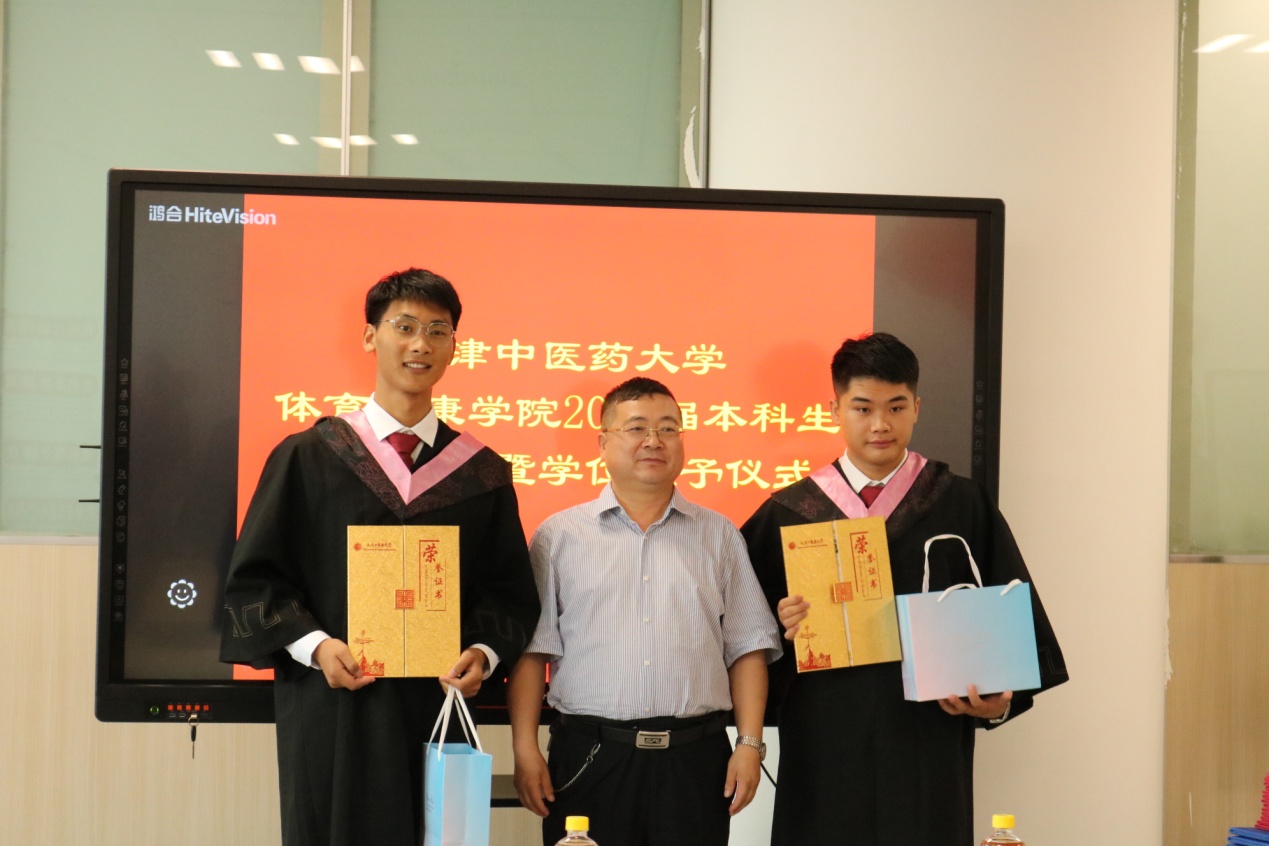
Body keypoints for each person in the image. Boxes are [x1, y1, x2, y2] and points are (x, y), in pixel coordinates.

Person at [219, 268, 541, 846]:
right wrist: (317, 647)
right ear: (371, 337)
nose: (421, 344)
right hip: (334, 709)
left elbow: (509, 592)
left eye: (437, 331)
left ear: (453, 347)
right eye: (405, 327)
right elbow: (255, 583)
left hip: (437, 709)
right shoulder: (309, 457)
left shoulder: (482, 474)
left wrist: (483, 653)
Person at [740, 332, 1068, 846]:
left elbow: (1014, 629)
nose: (880, 424)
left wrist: (999, 701)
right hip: (825, 744)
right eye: (863, 408)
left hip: (928, 744)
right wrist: (780, 627)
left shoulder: (960, 504)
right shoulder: (789, 512)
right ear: (834, 409)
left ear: (916, 407)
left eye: (895, 407)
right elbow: (742, 641)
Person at [508, 377, 783, 846]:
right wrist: (524, 747)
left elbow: (748, 647)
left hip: (696, 760)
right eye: (636, 428)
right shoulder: (558, 537)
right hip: (591, 756)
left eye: (668, 428)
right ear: (603, 443)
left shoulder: (719, 535)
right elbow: (533, 653)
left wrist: (750, 745)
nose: (654, 441)